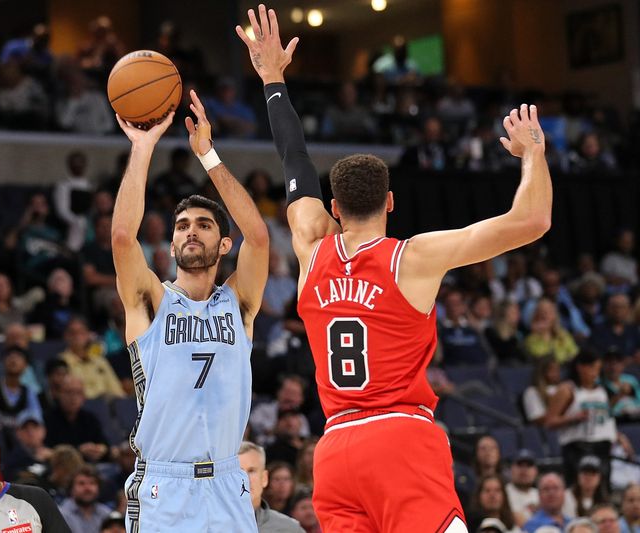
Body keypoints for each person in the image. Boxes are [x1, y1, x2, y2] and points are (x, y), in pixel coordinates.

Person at [237, 5, 552, 532]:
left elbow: (294, 159)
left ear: (332, 207)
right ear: (389, 202)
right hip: (400, 439)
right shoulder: (413, 258)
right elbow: (533, 220)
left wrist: (273, 80)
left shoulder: (312, 247)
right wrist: (533, 153)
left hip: (334, 449)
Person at [111, 87, 268, 532]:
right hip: (165, 484)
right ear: (173, 242)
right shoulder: (151, 301)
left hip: (227, 481)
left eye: (203, 225)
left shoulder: (238, 304)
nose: (190, 231)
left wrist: (208, 155)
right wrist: (143, 148)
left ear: (223, 244)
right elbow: (123, 238)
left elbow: (258, 237)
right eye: (182, 226)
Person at [545, 349, 616, 485]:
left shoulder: (602, 391)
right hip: (577, 448)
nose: (595, 373)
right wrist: (573, 418)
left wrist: (617, 436)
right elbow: (549, 422)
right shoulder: (567, 390)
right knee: (577, 488)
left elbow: (605, 421)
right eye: (592, 368)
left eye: (598, 369)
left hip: (602, 447)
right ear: (580, 367)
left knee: (602, 488)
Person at [238, 441, 305, 533]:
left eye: (251, 471)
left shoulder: (289, 529)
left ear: (264, 478)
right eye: (238, 472)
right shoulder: (212, 526)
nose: (245, 479)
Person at [60, 465, 113, 533]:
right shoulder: (61, 514)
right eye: (81, 483)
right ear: (71, 488)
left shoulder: (106, 514)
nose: (87, 488)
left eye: (92, 483)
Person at [505, 449, 540, 527]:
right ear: (511, 469)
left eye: (529, 465)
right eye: (520, 465)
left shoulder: (541, 495)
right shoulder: (503, 493)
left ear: (536, 471)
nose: (524, 470)